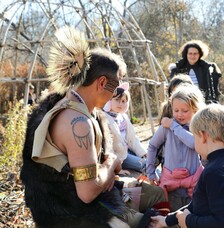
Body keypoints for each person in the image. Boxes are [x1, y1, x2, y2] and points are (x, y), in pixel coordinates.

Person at [20, 26, 137, 227]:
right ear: (102, 83)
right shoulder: (78, 123)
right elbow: (88, 192)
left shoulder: (77, 109)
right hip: (71, 218)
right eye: (116, 86)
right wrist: (110, 164)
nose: (116, 93)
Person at [150, 104, 224, 228]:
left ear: (202, 136)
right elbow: (197, 204)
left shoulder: (213, 173)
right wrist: (166, 221)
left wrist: (188, 221)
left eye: (194, 136)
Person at [146, 84, 205, 212]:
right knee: (173, 217)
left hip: (193, 186)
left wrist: (174, 126)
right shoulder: (166, 128)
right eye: (176, 110)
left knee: (192, 217)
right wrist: (150, 172)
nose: (179, 115)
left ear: (195, 109)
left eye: (185, 111)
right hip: (171, 186)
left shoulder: (198, 129)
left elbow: (193, 143)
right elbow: (152, 146)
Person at [103, 82, 147, 173]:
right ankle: (164, 181)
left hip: (128, 151)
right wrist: (117, 168)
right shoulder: (105, 118)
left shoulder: (123, 118)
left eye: (123, 101)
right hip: (119, 156)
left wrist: (143, 152)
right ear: (109, 101)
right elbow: (108, 146)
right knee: (145, 165)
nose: (120, 104)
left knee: (149, 160)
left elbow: (132, 139)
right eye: (117, 100)